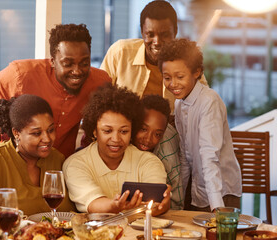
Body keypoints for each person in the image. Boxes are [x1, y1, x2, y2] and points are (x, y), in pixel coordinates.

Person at [0, 23, 111, 157]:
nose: (77, 71)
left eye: (84, 63)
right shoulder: (20, 74)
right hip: (17, 162)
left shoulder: (99, 82)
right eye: (68, 64)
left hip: (60, 165)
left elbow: (100, 122)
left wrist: (86, 152)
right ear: (52, 61)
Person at [158, 38, 242, 212]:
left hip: (221, 191)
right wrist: (178, 199)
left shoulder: (209, 101)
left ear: (197, 72)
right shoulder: (180, 103)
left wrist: (217, 208)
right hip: (199, 189)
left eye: (180, 77)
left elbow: (209, 156)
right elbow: (185, 156)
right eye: (167, 78)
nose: (173, 84)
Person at [63, 83, 171, 216]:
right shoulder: (76, 164)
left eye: (124, 131)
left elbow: (156, 203)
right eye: (107, 131)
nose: (116, 139)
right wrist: (116, 205)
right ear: (95, 131)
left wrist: (162, 204)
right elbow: (93, 204)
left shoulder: (149, 161)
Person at [0, 94, 76, 215]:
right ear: (16, 133)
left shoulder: (57, 159)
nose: (47, 139)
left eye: (50, 130)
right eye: (37, 133)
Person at [100, 0, 207, 111]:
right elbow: (99, 98)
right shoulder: (120, 52)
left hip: (170, 128)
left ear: (175, 32)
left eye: (164, 35)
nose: (157, 42)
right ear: (142, 32)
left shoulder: (188, 62)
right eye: (150, 34)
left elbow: (203, 103)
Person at [133, 94, 183, 210]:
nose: (148, 139)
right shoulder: (123, 140)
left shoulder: (167, 156)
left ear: (163, 133)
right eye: (143, 129)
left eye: (157, 134)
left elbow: (177, 203)